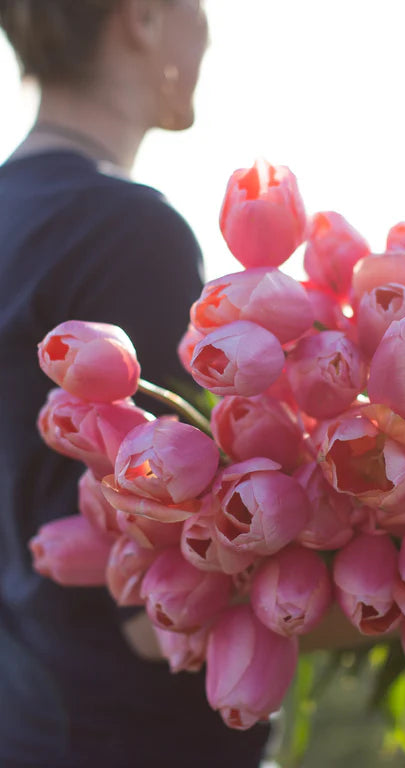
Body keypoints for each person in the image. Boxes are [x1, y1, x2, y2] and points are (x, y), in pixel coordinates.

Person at [0, 1, 273, 765]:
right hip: (135, 734)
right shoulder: (121, 228)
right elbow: (160, 609)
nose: (209, 35)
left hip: (26, 721)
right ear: (142, 17)